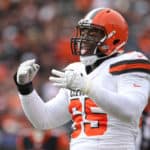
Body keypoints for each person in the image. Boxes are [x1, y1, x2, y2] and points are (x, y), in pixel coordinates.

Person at [14, 7, 150, 150]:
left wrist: (87, 87)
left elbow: (131, 110)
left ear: (113, 37)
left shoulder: (130, 62)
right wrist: (25, 88)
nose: (84, 40)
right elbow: (44, 120)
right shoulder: (75, 70)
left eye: (93, 34)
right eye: (83, 33)